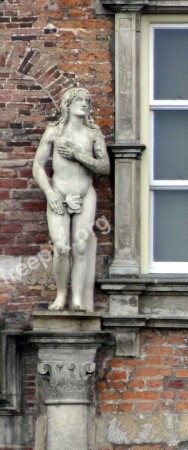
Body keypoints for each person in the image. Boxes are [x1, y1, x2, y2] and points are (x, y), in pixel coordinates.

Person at [33, 87, 109, 311]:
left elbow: (105, 167)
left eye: (87, 100)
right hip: (58, 193)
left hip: (85, 194)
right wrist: (50, 193)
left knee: (81, 247)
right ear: (68, 104)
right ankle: (60, 295)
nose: (84, 104)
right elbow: (38, 165)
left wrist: (79, 155)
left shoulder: (93, 133)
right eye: (78, 100)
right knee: (61, 247)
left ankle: (76, 298)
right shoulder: (54, 132)